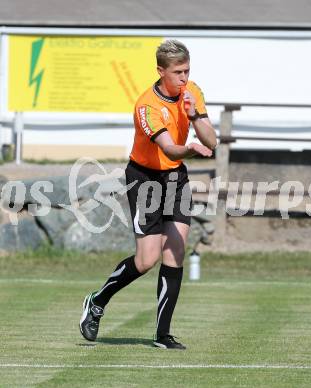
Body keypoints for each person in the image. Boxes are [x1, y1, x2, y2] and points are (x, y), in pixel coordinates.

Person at [80, 39, 217, 349]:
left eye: (187, 71)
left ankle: (162, 335)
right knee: (147, 259)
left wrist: (195, 117)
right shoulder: (147, 106)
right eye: (178, 72)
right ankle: (96, 301)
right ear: (160, 71)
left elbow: (212, 140)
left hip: (175, 177)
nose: (184, 78)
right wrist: (192, 149)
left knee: (176, 253)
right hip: (144, 179)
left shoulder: (192, 91)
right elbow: (169, 147)